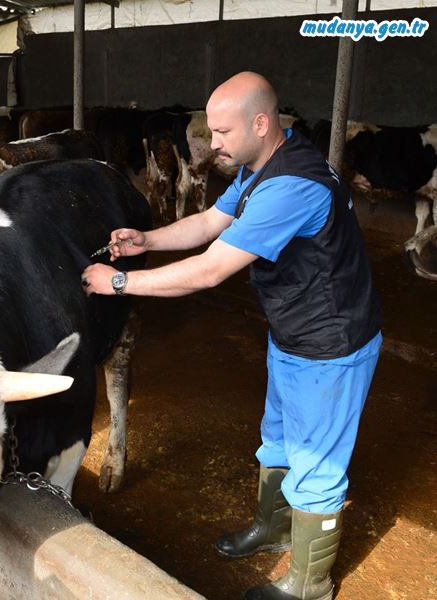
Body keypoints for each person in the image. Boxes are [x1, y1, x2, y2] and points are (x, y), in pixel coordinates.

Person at [81, 71, 382, 600]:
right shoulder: (262, 167)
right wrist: (145, 239)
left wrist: (119, 282)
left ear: (260, 124)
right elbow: (206, 224)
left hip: (331, 345)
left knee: (317, 464)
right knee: (279, 440)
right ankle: (273, 528)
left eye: (221, 132)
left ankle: (309, 584)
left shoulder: (291, 187)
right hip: (294, 333)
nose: (210, 143)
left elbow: (209, 270)